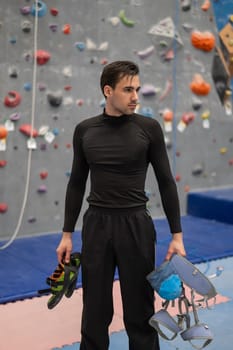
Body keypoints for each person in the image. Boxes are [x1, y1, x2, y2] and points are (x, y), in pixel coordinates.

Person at [56, 60, 186, 350]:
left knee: (140, 312)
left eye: (137, 89)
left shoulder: (149, 129)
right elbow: (76, 183)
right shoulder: (84, 130)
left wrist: (177, 236)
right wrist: (66, 234)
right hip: (97, 226)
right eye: (128, 90)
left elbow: (166, 182)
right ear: (107, 91)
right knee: (94, 313)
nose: (135, 97)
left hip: (136, 226)